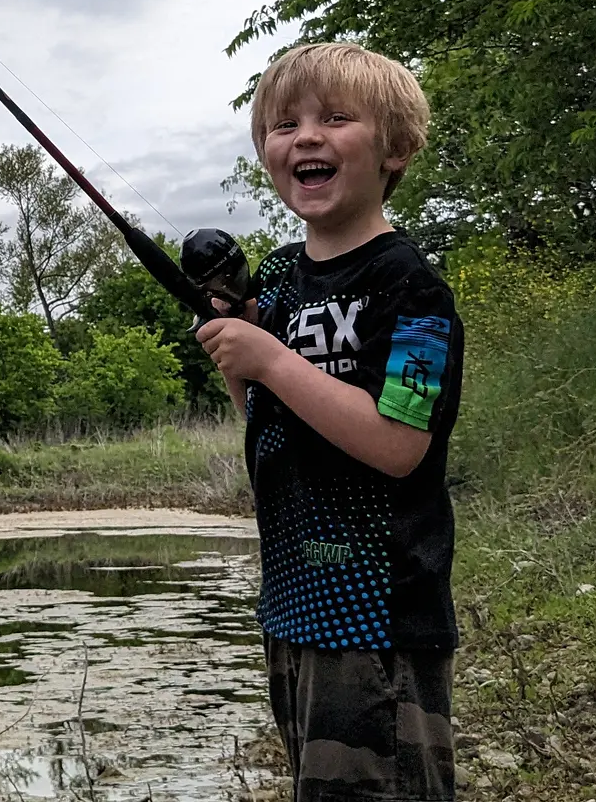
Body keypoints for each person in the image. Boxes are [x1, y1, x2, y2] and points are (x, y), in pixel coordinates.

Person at [198, 42, 463, 802]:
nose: (305, 136)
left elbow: (398, 445)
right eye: (284, 125)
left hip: (378, 617)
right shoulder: (279, 277)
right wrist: (240, 363)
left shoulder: (412, 289)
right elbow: (266, 421)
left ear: (397, 148)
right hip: (292, 605)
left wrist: (272, 358)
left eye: (336, 118)